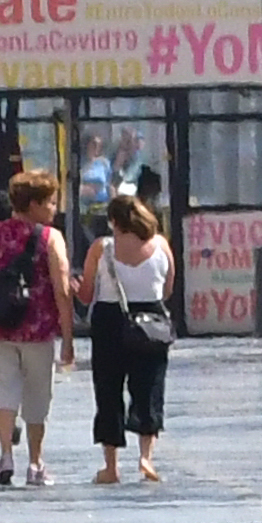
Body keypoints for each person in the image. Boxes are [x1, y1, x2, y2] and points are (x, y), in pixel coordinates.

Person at [0, 161, 74, 488]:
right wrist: (68, 337)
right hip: (37, 328)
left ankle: (5, 457)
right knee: (38, 394)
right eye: (51, 202)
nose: (54, 208)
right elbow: (62, 288)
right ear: (34, 204)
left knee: (2, 391)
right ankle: (36, 463)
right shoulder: (50, 238)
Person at [89, 193, 175, 485]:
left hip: (110, 320)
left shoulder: (102, 248)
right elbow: (167, 290)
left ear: (113, 221)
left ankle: (111, 466)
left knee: (108, 389)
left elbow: (87, 293)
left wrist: (76, 288)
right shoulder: (161, 245)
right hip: (150, 320)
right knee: (149, 386)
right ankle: (145, 458)